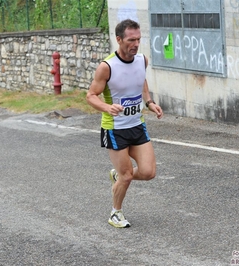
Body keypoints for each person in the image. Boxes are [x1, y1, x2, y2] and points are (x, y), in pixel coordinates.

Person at [86, 19, 163, 228]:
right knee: (128, 174)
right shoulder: (107, 67)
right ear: (119, 39)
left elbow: (141, 81)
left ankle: (118, 176)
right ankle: (115, 213)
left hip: (137, 125)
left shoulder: (141, 60)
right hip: (114, 128)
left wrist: (149, 102)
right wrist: (106, 107)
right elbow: (91, 95)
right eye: (131, 40)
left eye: (138, 39)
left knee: (148, 172)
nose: (136, 44)